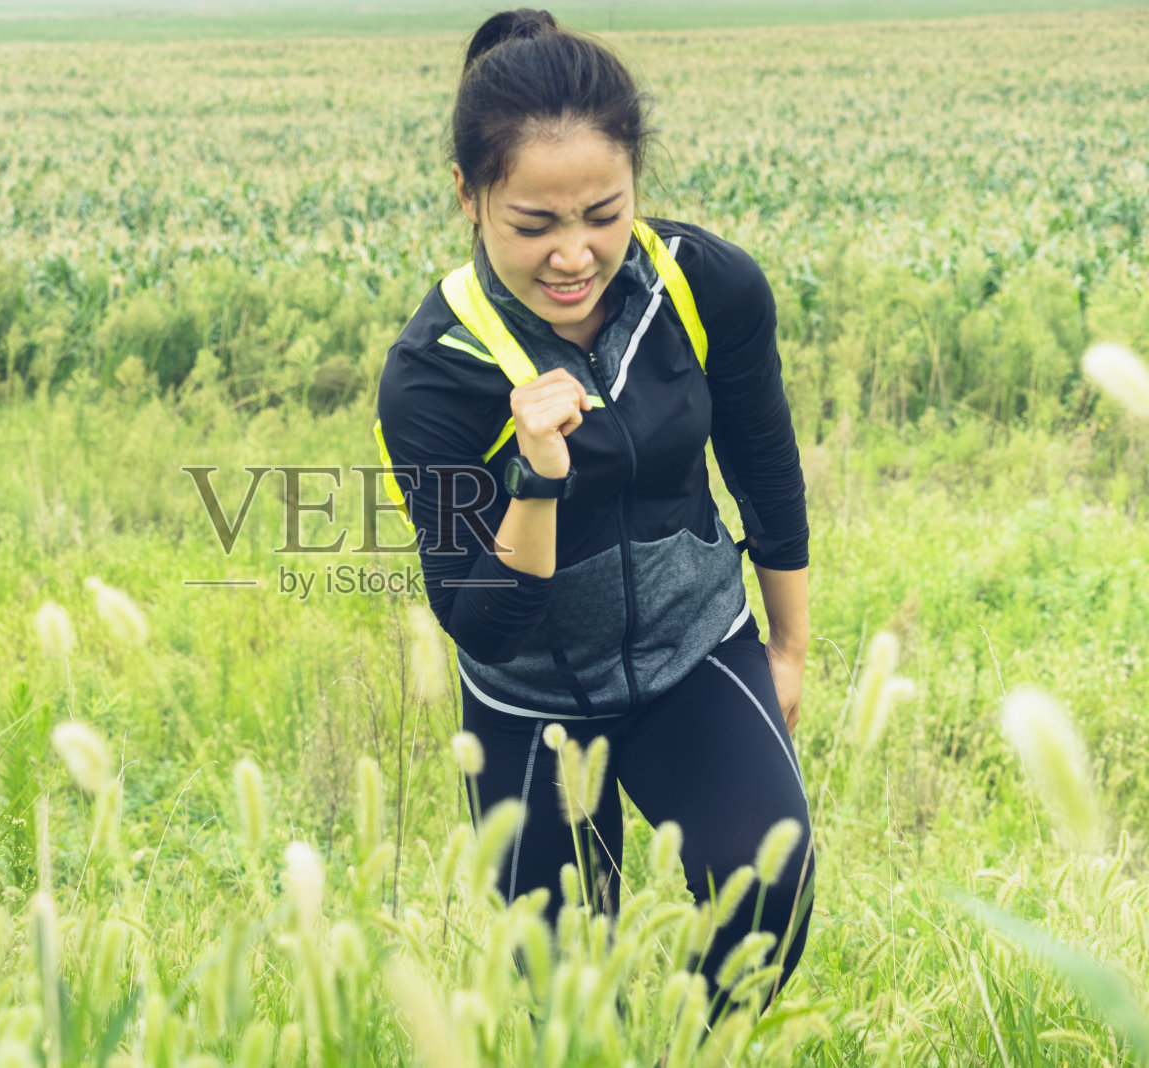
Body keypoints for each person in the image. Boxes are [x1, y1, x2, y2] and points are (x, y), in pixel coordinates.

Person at [374, 8, 815, 1017]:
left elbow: (763, 463)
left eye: (603, 214)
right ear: (467, 196)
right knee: (567, 998)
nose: (574, 255)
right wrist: (535, 475)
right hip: (528, 701)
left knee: (769, 898)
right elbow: (480, 615)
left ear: (635, 187)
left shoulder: (706, 287)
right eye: (534, 225)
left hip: (694, 654)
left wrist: (787, 648)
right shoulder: (433, 379)